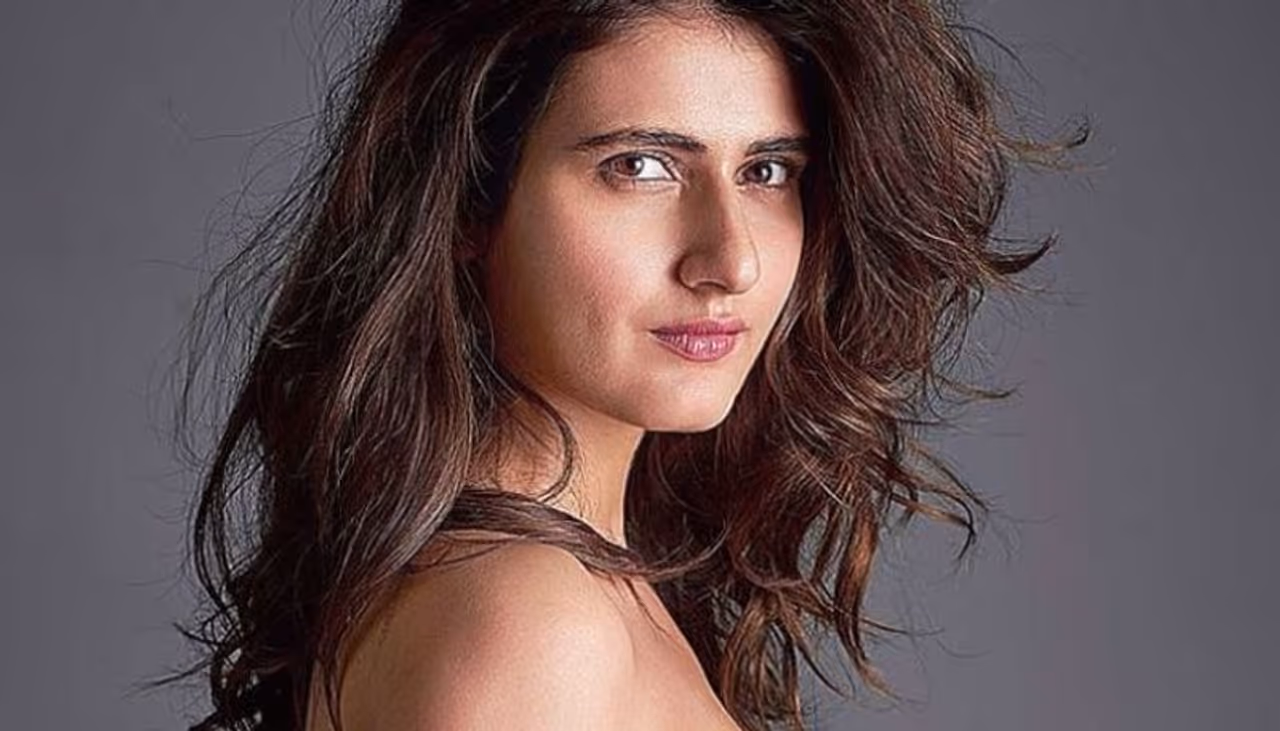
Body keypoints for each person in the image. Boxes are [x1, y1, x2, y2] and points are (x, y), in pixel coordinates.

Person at [162, 1, 1083, 729]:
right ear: (471, 199)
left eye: (767, 172)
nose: (731, 260)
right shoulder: (531, 623)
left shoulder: (555, 584)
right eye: (641, 166)